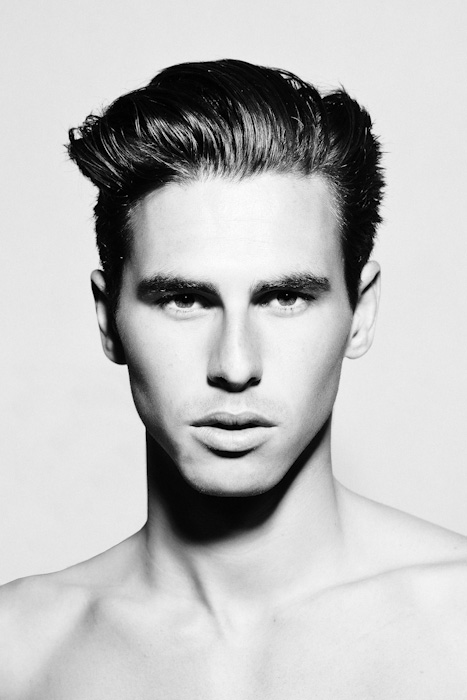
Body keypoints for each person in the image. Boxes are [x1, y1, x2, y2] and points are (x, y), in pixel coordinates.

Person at [1, 59, 467, 699]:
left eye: (285, 297)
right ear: (108, 320)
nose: (235, 365)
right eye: (184, 300)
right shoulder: (18, 652)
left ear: (361, 312)